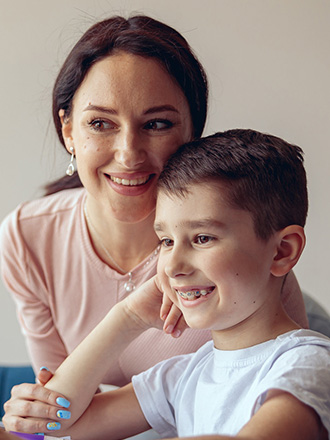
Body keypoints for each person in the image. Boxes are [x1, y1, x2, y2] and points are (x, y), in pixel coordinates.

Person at [0, 15, 307, 388]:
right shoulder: (25, 238)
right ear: (68, 131)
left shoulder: (253, 271)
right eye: (100, 123)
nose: (129, 155)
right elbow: (58, 410)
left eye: (157, 124)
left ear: (193, 133)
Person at [3, 129, 330, 439]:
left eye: (202, 238)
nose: (172, 266)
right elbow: (56, 425)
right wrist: (127, 317)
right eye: (166, 241)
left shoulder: (308, 363)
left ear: (282, 251)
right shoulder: (183, 376)